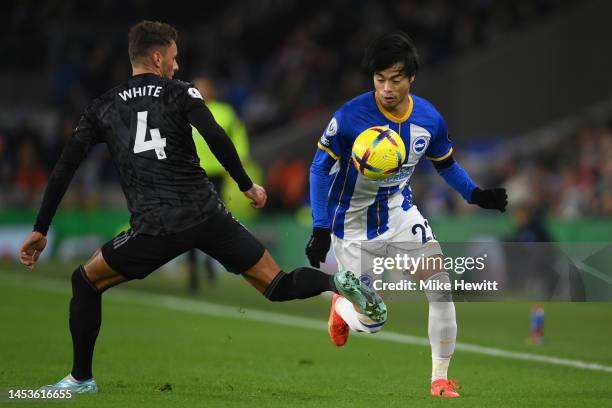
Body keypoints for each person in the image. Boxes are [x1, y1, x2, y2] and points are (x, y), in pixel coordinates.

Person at [18, 20, 381, 394]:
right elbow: (215, 135)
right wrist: (246, 184)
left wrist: (41, 227)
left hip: (156, 225)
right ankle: (335, 283)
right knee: (277, 284)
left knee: (85, 280)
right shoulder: (181, 93)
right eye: (173, 59)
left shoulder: (103, 107)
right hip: (209, 214)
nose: (176, 66)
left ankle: (80, 379)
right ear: (157, 57)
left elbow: (65, 167)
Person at [306, 31, 507, 398]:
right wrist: (320, 227)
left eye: (395, 79)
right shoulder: (350, 117)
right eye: (379, 79)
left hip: (399, 213)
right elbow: (319, 169)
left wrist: (475, 194)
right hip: (350, 226)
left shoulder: (429, 119)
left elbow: (446, 165)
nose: (386, 88)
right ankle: (343, 307)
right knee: (373, 321)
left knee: (440, 287)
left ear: (411, 77)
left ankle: (439, 379)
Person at [188, 75, 250, 288]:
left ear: (212, 90)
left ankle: (207, 262)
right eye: (198, 88)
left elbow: (237, 136)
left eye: (205, 87)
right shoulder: (186, 110)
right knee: (189, 221)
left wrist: (240, 159)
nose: (202, 91)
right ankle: (193, 271)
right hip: (190, 173)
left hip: (216, 175)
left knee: (213, 220)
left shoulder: (225, 112)